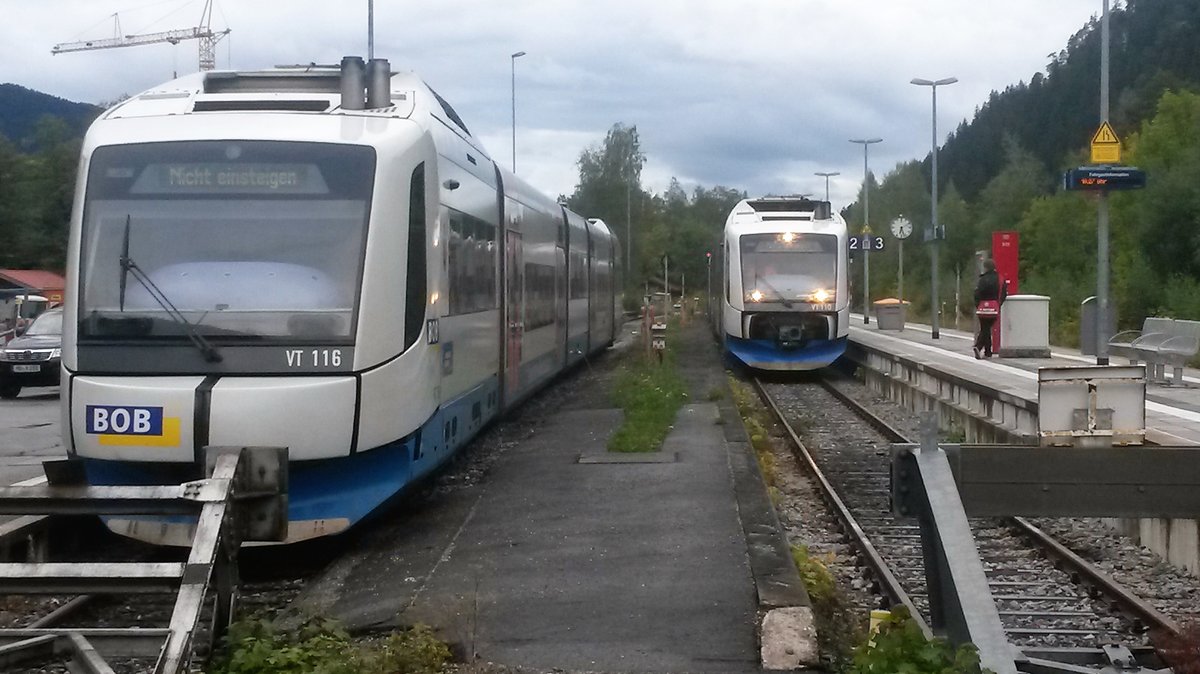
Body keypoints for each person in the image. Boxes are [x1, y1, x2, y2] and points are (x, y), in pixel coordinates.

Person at [973, 259, 1005, 359]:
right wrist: (998, 304)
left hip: (982, 307)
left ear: (986, 268)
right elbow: (1004, 293)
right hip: (994, 307)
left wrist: (978, 305)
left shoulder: (982, 279)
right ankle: (987, 351)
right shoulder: (1000, 279)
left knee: (985, 328)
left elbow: (977, 294)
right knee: (986, 328)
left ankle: (979, 347)